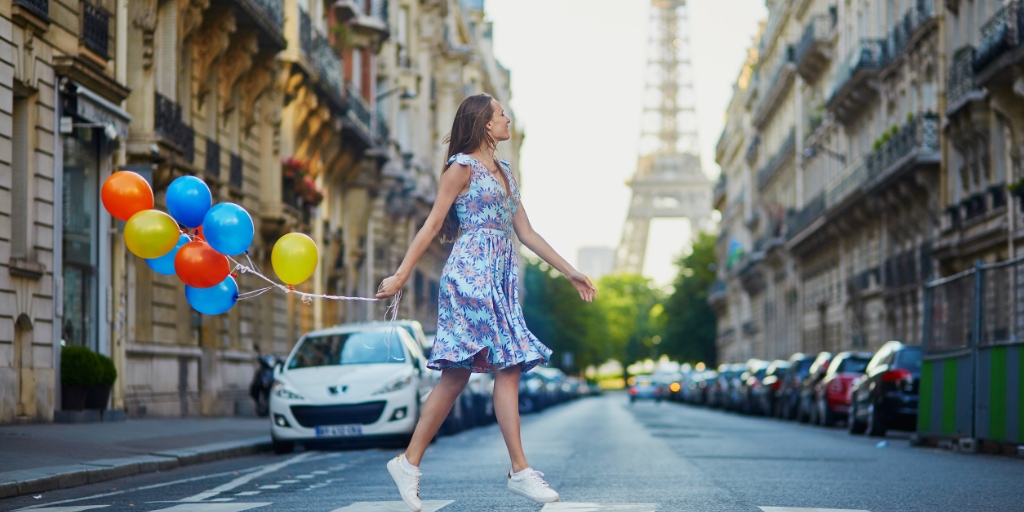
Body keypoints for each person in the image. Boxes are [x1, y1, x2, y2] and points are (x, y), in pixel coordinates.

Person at [375, 93, 597, 512]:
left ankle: (409, 463)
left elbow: (527, 234)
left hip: (500, 278)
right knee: (499, 365)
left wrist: (570, 271)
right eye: (501, 115)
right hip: (469, 276)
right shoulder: (461, 168)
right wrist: (402, 274)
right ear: (484, 123)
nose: (508, 119)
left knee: (467, 374)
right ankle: (518, 470)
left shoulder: (507, 173)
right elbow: (433, 224)